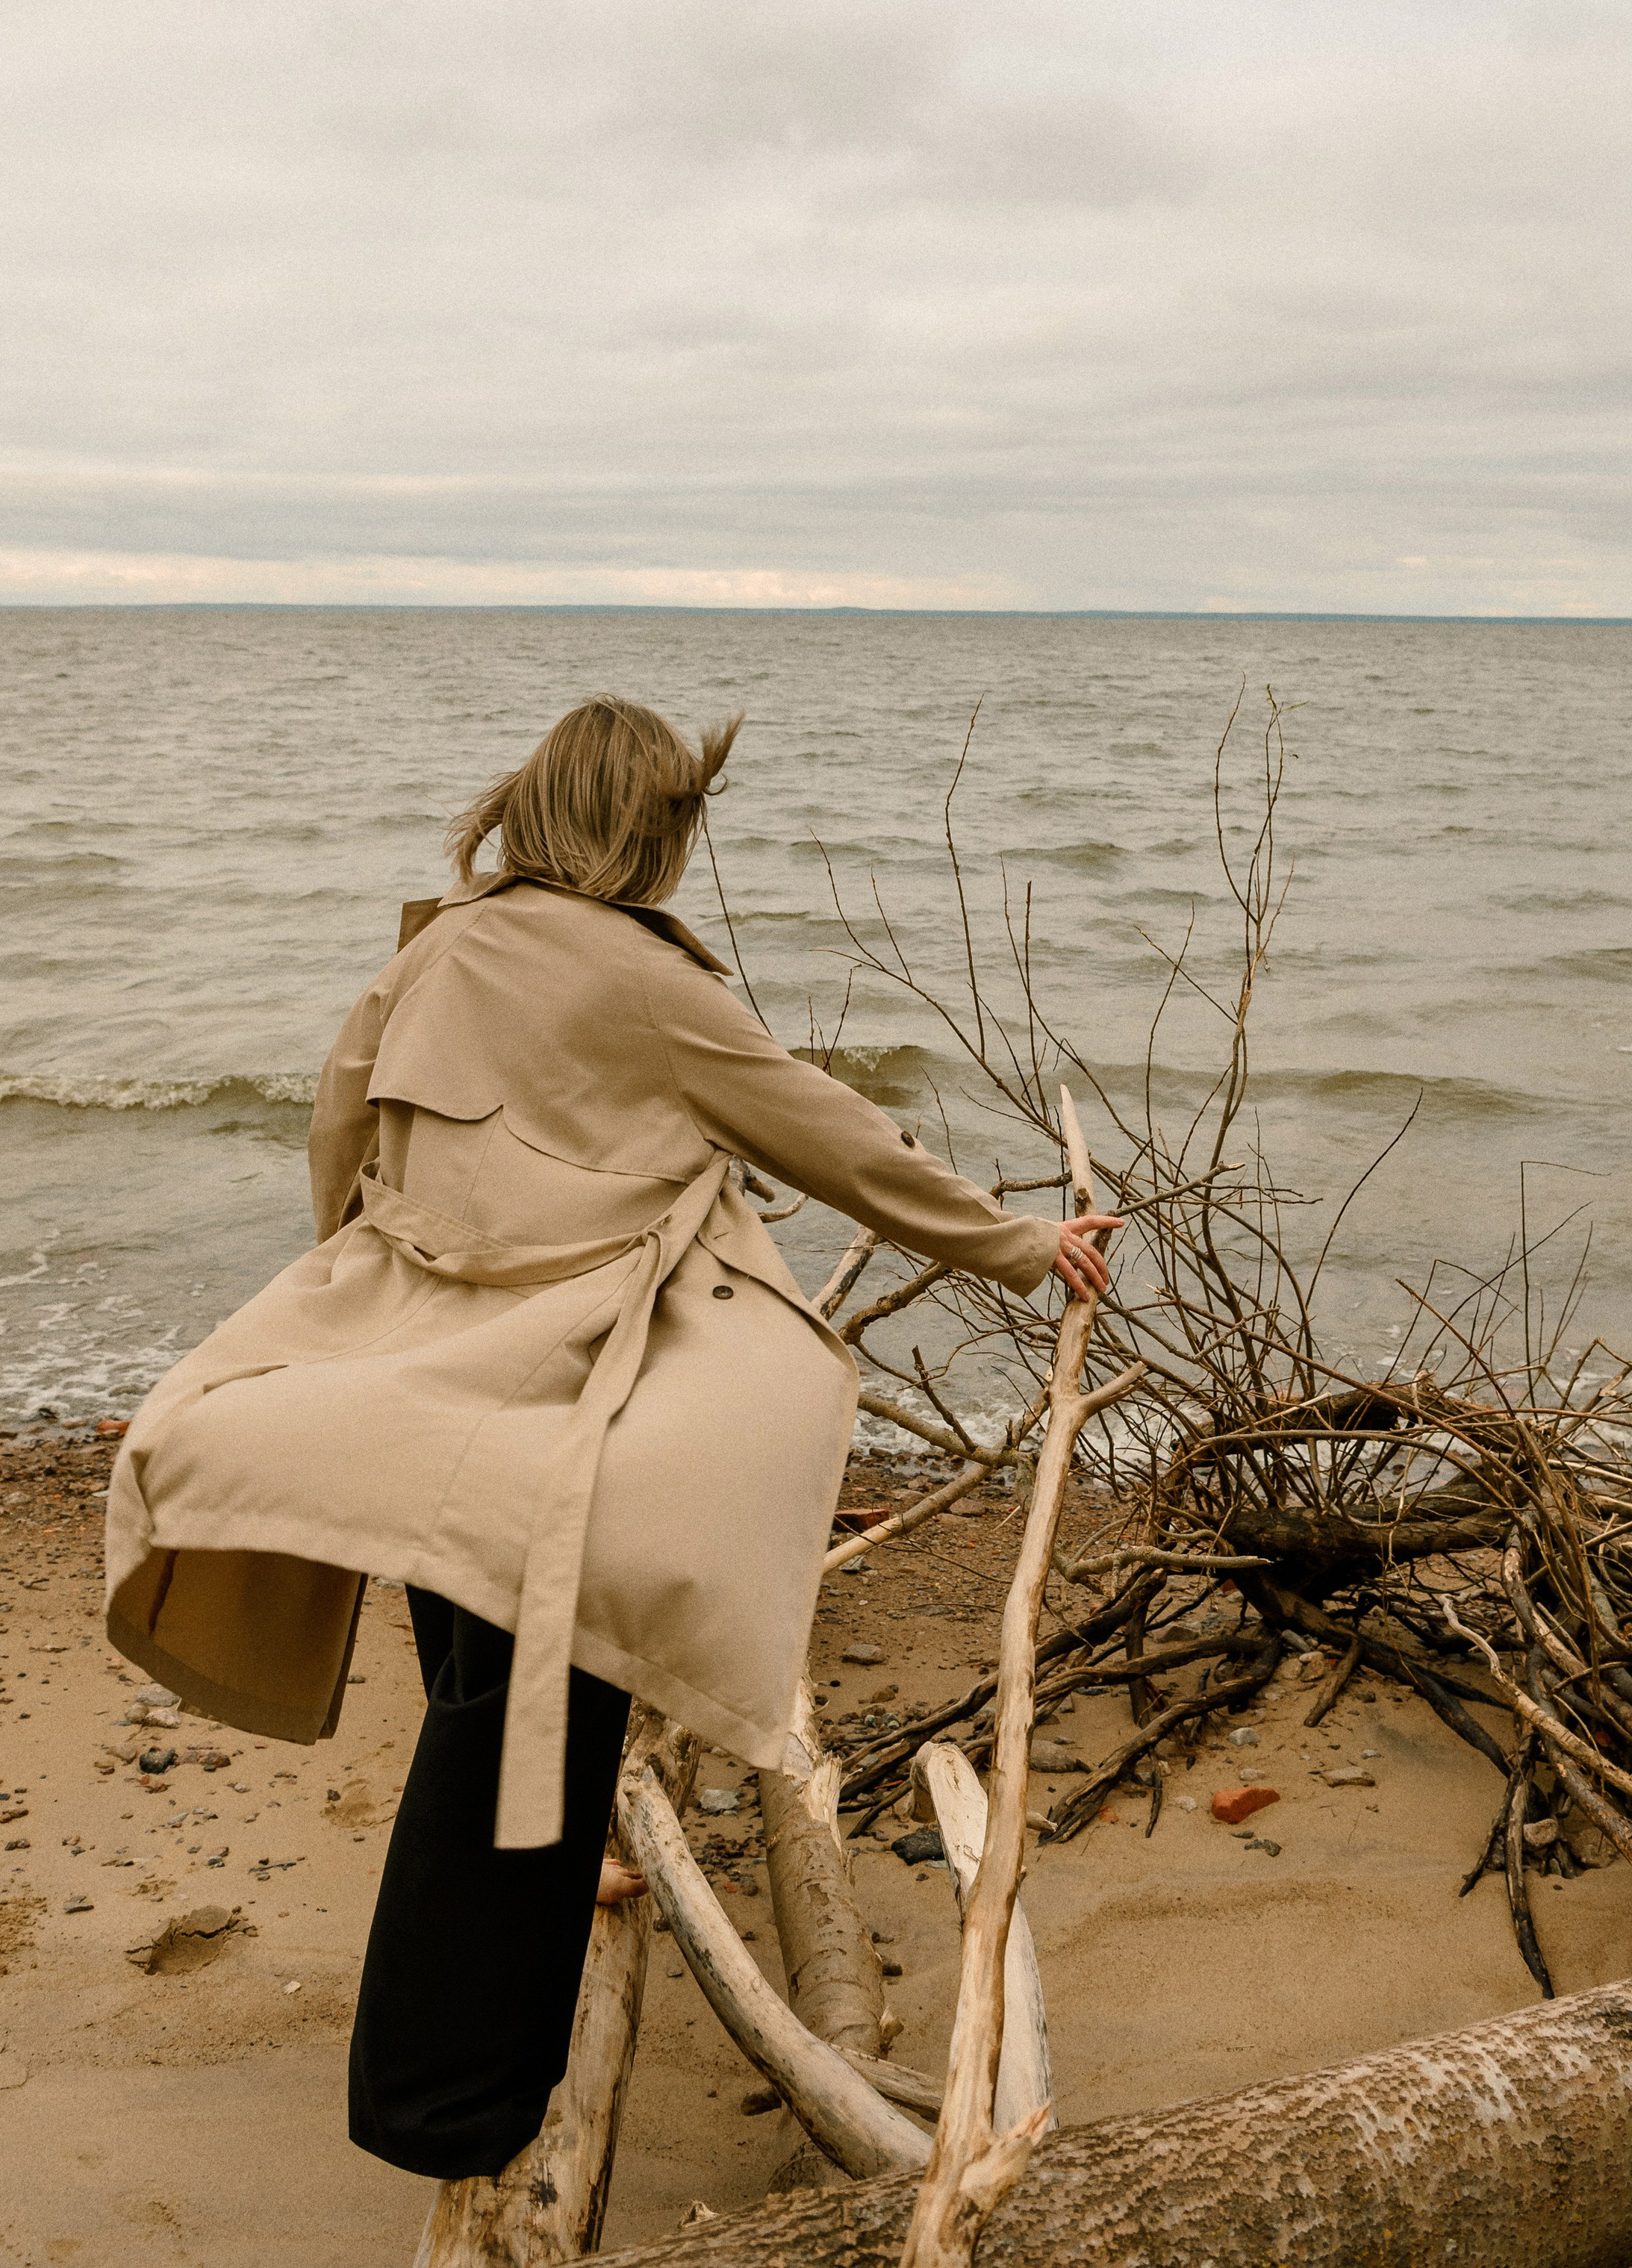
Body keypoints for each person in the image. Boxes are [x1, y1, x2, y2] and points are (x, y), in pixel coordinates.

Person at [104, 694, 1118, 2181]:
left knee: (467, 1659)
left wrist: (363, 1299)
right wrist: (1024, 1246)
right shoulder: (647, 982)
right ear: (643, 830)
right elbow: (829, 1133)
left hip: (417, 1353)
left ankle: (511, 1968)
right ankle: (442, 2100)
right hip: (556, 1371)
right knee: (531, 1712)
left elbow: (334, 1137)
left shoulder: (437, 943)